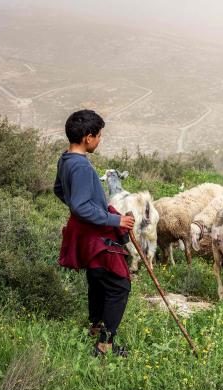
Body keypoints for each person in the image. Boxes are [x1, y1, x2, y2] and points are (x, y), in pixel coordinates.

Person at [54, 109, 135, 357]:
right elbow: (80, 205)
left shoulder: (66, 159)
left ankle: (95, 326)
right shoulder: (80, 166)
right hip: (95, 232)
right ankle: (105, 344)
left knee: (98, 277)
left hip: (85, 230)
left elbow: (59, 190)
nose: (99, 140)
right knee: (119, 284)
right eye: (99, 136)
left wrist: (92, 208)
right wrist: (115, 219)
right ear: (88, 137)